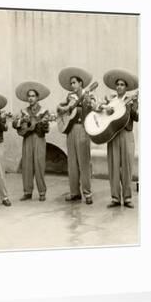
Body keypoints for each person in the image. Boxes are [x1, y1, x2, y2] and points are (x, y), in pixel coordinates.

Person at [56, 67, 98, 205]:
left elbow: (94, 108)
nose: (72, 85)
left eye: (74, 82)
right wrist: (63, 108)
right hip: (70, 130)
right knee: (72, 163)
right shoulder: (69, 96)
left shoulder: (88, 94)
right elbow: (61, 109)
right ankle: (74, 192)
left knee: (84, 163)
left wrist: (88, 102)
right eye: (71, 83)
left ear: (81, 83)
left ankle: (88, 193)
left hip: (83, 129)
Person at [100, 69, 139, 209]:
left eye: (122, 84)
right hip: (113, 135)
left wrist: (130, 107)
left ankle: (127, 198)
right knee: (114, 166)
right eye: (118, 84)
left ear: (126, 87)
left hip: (127, 134)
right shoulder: (112, 101)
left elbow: (137, 117)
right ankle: (115, 197)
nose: (119, 87)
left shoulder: (132, 100)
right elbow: (105, 117)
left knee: (127, 166)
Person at [13, 81, 52, 202]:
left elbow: (46, 129)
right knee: (27, 165)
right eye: (29, 96)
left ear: (37, 97)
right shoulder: (23, 111)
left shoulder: (44, 111)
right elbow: (15, 124)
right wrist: (21, 122)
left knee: (39, 165)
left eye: (33, 96)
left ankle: (42, 192)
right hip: (27, 139)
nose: (30, 98)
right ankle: (27, 192)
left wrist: (45, 123)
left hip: (39, 139)